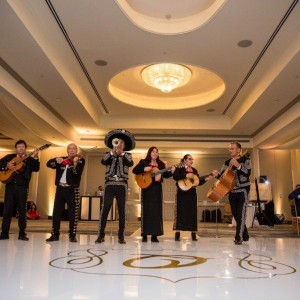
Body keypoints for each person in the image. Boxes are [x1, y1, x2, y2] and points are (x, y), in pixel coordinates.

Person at [95, 129, 135, 244]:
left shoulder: (128, 155)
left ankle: (121, 236)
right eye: (118, 142)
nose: (119, 144)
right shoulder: (108, 154)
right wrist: (113, 152)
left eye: (122, 143)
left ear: (125, 145)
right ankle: (100, 235)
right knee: (105, 209)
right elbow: (104, 161)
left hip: (122, 184)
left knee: (122, 210)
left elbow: (130, 164)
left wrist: (121, 153)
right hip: (109, 184)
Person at [133, 146, 175, 243]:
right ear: (149, 153)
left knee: (156, 212)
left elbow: (166, 175)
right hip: (147, 189)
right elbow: (135, 170)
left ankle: (154, 235)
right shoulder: (143, 162)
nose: (155, 153)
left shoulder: (160, 164)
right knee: (146, 211)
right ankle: (144, 234)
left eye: (157, 152)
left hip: (156, 189)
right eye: (153, 152)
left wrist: (172, 171)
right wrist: (145, 168)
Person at [0, 140, 40, 241]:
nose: (21, 148)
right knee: (7, 211)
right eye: (19, 147)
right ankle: (4, 233)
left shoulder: (30, 159)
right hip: (10, 186)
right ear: (16, 148)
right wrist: (6, 165)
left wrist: (35, 157)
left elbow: (36, 168)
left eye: (23, 147)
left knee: (22, 211)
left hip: (22, 187)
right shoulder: (10, 157)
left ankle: (22, 234)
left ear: (25, 149)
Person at [45, 143, 85, 243]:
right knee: (56, 213)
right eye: (70, 149)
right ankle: (55, 234)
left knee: (73, 214)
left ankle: (72, 235)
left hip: (72, 189)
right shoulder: (62, 160)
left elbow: (77, 174)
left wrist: (74, 164)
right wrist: (56, 159)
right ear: (67, 151)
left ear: (76, 151)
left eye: (74, 149)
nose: (72, 150)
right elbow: (48, 164)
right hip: (60, 189)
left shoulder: (80, 161)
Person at [216, 141, 251, 245]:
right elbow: (222, 177)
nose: (230, 150)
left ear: (239, 150)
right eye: (229, 148)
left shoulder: (246, 160)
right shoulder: (227, 162)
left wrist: (239, 166)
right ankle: (245, 235)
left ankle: (238, 237)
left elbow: (248, 172)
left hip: (243, 190)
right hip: (231, 191)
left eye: (232, 148)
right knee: (236, 215)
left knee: (241, 214)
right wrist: (216, 174)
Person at [173, 154, 214, 241]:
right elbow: (175, 177)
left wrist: (206, 179)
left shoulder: (194, 170)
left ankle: (193, 233)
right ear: (184, 160)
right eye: (189, 159)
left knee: (192, 213)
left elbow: (197, 182)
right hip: (182, 194)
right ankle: (177, 233)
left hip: (192, 194)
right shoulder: (180, 168)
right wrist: (186, 175)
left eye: (192, 159)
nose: (191, 161)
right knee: (180, 212)